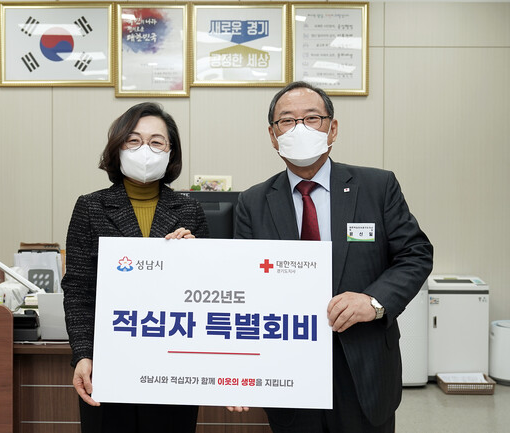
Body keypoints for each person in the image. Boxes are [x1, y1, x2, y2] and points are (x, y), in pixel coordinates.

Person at [233, 81, 434, 432]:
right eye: (287, 121)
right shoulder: (253, 202)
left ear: (333, 128)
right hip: (288, 368)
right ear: (273, 136)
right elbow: (244, 282)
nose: (300, 129)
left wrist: (374, 301)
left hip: (364, 363)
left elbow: (415, 254)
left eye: (312, 118)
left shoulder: (377, 187)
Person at [62, 102, 209, 433]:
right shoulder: (90, 207)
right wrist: (83, 354)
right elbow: (79, 290)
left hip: (173, 363)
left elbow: (206, 293)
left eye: (157, 142)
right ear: (118, 148)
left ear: (171, 153)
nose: (145, 150)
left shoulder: (190, 210)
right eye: (134, 141)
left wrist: (194, 259)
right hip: (109, 363)